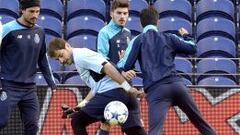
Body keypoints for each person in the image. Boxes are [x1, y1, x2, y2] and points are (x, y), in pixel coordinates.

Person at [118, 7, 217, 135]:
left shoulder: (137, 40)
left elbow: (125, 65)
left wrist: (121, 61)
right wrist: (186, 36)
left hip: (157, 91)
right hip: (177, 86)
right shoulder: (170, 37)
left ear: (141, 24)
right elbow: (193, 48)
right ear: (158, 22)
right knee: (201, 123)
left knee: (155, 131)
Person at [47, 38, 147, 135]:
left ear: (67, 46)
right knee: (134, 130)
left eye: (61, 55)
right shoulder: (81, 57)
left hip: (113, 94)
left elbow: (108, 68)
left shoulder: (80, 56)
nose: (61, 61)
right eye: (57, 59)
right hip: (126, 96)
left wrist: (128, 88)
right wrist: (77, 108)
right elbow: (96, 87)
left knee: (77, 121)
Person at [0, 0, 57, 134]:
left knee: (32, 126)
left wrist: (52, 84)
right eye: (31, 11)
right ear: (22, 10)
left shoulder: (40, 31)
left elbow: (42, 58)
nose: (35, 15)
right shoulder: (8, 30)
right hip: (8, 86)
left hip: (29, 89)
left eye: (37, 11)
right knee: (1, 122)